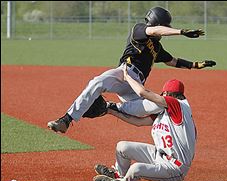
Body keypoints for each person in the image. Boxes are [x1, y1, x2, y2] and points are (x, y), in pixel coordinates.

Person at [47, 6, 216, 133]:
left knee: (157, 106)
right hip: (123, 73)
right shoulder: (139, 29)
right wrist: (181, 32)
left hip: (135, 86)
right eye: (165, 26)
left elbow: (172, 61)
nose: (164, 30)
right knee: (97, 82)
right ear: (156, 23)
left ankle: (109, 107)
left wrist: (194, 65)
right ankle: (67, 120)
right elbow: (154, 30)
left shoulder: (157, 48)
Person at [92, 64, 197, 181]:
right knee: (122, 147)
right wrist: (110, 111)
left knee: (136, 169)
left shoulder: (177, 106)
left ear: (167, 94)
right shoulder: (165, 112)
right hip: (159, 157)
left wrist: (127, 77)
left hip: (174, 168)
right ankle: (119, 174)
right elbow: (139, 122)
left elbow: (143, 92)